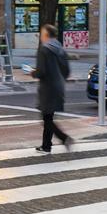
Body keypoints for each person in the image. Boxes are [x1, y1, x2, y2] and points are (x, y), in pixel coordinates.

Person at [31, 23, 72, 153]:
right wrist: (59, 79)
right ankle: (46, 145)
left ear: (46, 35)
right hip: (58, 86)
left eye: (41, 34)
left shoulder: (44, 49)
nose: (40, 37)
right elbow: (67, 71)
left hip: (47, 88)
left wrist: (32, 72)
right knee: (48, 117)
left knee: (46, 119)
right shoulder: (60, 49)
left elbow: (41, 72)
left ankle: (64, 138)